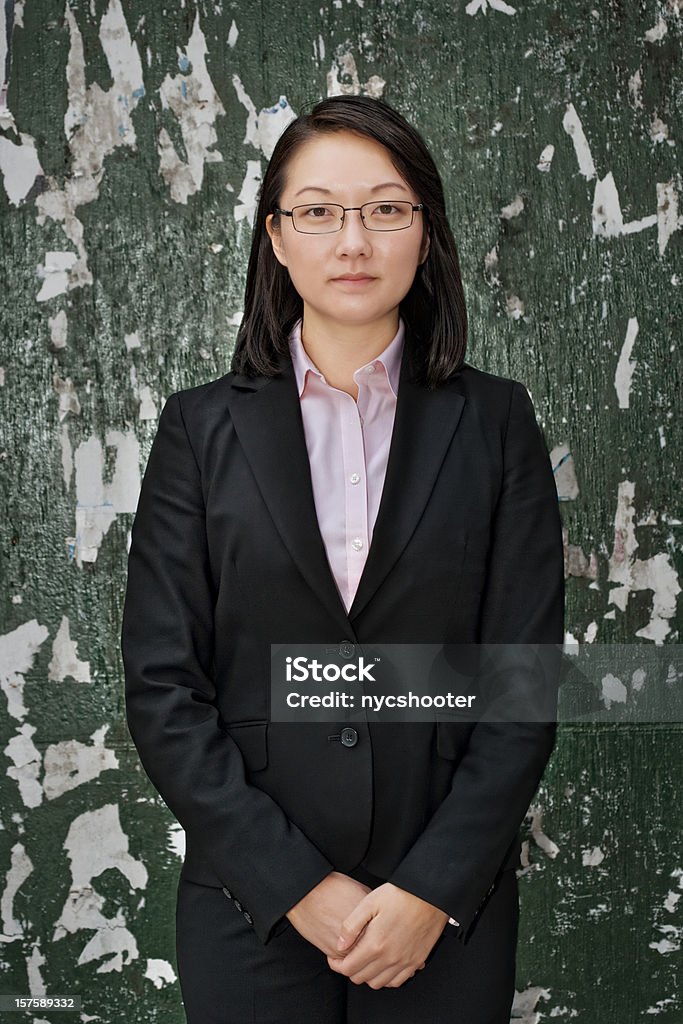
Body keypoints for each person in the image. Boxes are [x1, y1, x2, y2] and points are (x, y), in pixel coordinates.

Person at [121, 94, 564, 1024]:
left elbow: (519, 686)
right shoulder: (200, 430)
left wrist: (430, 889)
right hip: (252, 908)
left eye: (384, 209)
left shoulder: (495, 423)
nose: (351, 240)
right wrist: (295, 886)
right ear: (277, 239)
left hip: (442, 911)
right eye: (317, 211)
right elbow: (165, 688)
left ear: (424, 232)